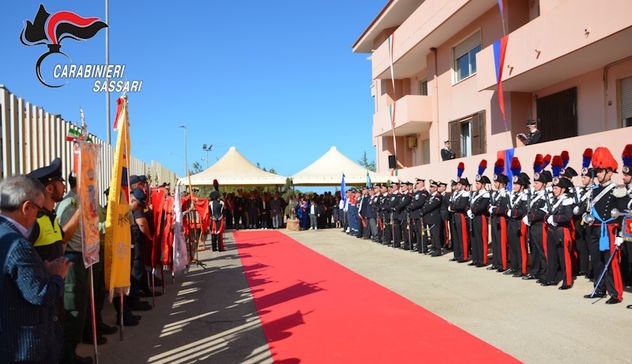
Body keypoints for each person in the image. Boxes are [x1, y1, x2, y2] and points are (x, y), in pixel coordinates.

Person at [0, 175, 72, 364]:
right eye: (38, 209)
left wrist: (41, 270)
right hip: (24, 344)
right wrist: (57, 276)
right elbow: (41, 295)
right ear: (26, 207)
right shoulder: (18, 245)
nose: (37, 216)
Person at [56, 173, 101, 362]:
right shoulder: (69, 204)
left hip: (84, 256)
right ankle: (67, 356)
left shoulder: (79, 202)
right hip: (72, 258)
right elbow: (64, 235)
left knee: (82, 305)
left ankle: (72, 351)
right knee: (74, 306)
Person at [583, 147, 629, 304]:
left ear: (610, 172)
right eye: (597, 171)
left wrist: (620, 236)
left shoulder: (618, 189)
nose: (598, 174)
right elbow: (588, 209)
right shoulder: (593, 191)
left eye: (601, 171)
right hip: (594, 229)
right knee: (596, 261)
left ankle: (616, 294)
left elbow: (623, 214)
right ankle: (599, 289)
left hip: (610, 230)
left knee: (612, 262)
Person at [27, 158, 81, 262]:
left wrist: (80, 212)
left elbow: (63, 237)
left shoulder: (50, 217)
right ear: (50, 188)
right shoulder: (34, 221)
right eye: (61, 182)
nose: (64, 186)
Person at [540, 159, 575, 289]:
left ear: (563, 189)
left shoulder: (566, 200)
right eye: (553, 188)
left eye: (556, 188)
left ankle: (567, 281)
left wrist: (554, 219)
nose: (554, 190)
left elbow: (567, 216)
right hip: (551, 231)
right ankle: (551, 278)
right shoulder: (552, 200)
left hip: (561, 231)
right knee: (552, 256)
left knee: (564, 257)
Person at [506, 160, 530, 277]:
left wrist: (512, 213)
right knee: (512, 245)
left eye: (516, 185)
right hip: (511, 222)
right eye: (514, 184)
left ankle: (522, 268)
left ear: (522, 186)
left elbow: (523, 210)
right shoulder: (512, 195)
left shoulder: (525, 196)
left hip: (519, 223)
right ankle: (514, 266)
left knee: (520, 246)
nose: (514, 186)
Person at [489, 159, 510, 273]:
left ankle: (502, 264)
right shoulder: (496, 194)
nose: (495, 184)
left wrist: (494, 209)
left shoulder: (506, 194)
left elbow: (504, 209)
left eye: (496, 182)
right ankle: (496, 262)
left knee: (501, 242)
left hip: (501, 219)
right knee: (495, 242)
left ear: (502, 183)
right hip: (495, 218)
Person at [468, 171, 491, 267]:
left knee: (481, 239)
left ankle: (482, 260)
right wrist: (469, 210)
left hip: (481, 218)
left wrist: (472, 211)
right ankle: (476, 258)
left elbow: (481, 207)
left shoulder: (486, 194)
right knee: (474, 238)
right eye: (476, 183)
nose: (476, 185)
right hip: (474, 217)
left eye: (478, 183)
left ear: (483, 184)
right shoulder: (475, 194)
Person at [423, 180, 443, 256]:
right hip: (430, 218)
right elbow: (426, 204)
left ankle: (438, 250)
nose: (430, 188)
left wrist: (424, 210)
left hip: (435, 218)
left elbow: (432, 206)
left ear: (436, 188)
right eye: (430, 187)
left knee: (436, 235)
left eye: (432, 187)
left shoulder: (438, 196)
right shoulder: (430, 196)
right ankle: (433, 248)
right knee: (432, 235)